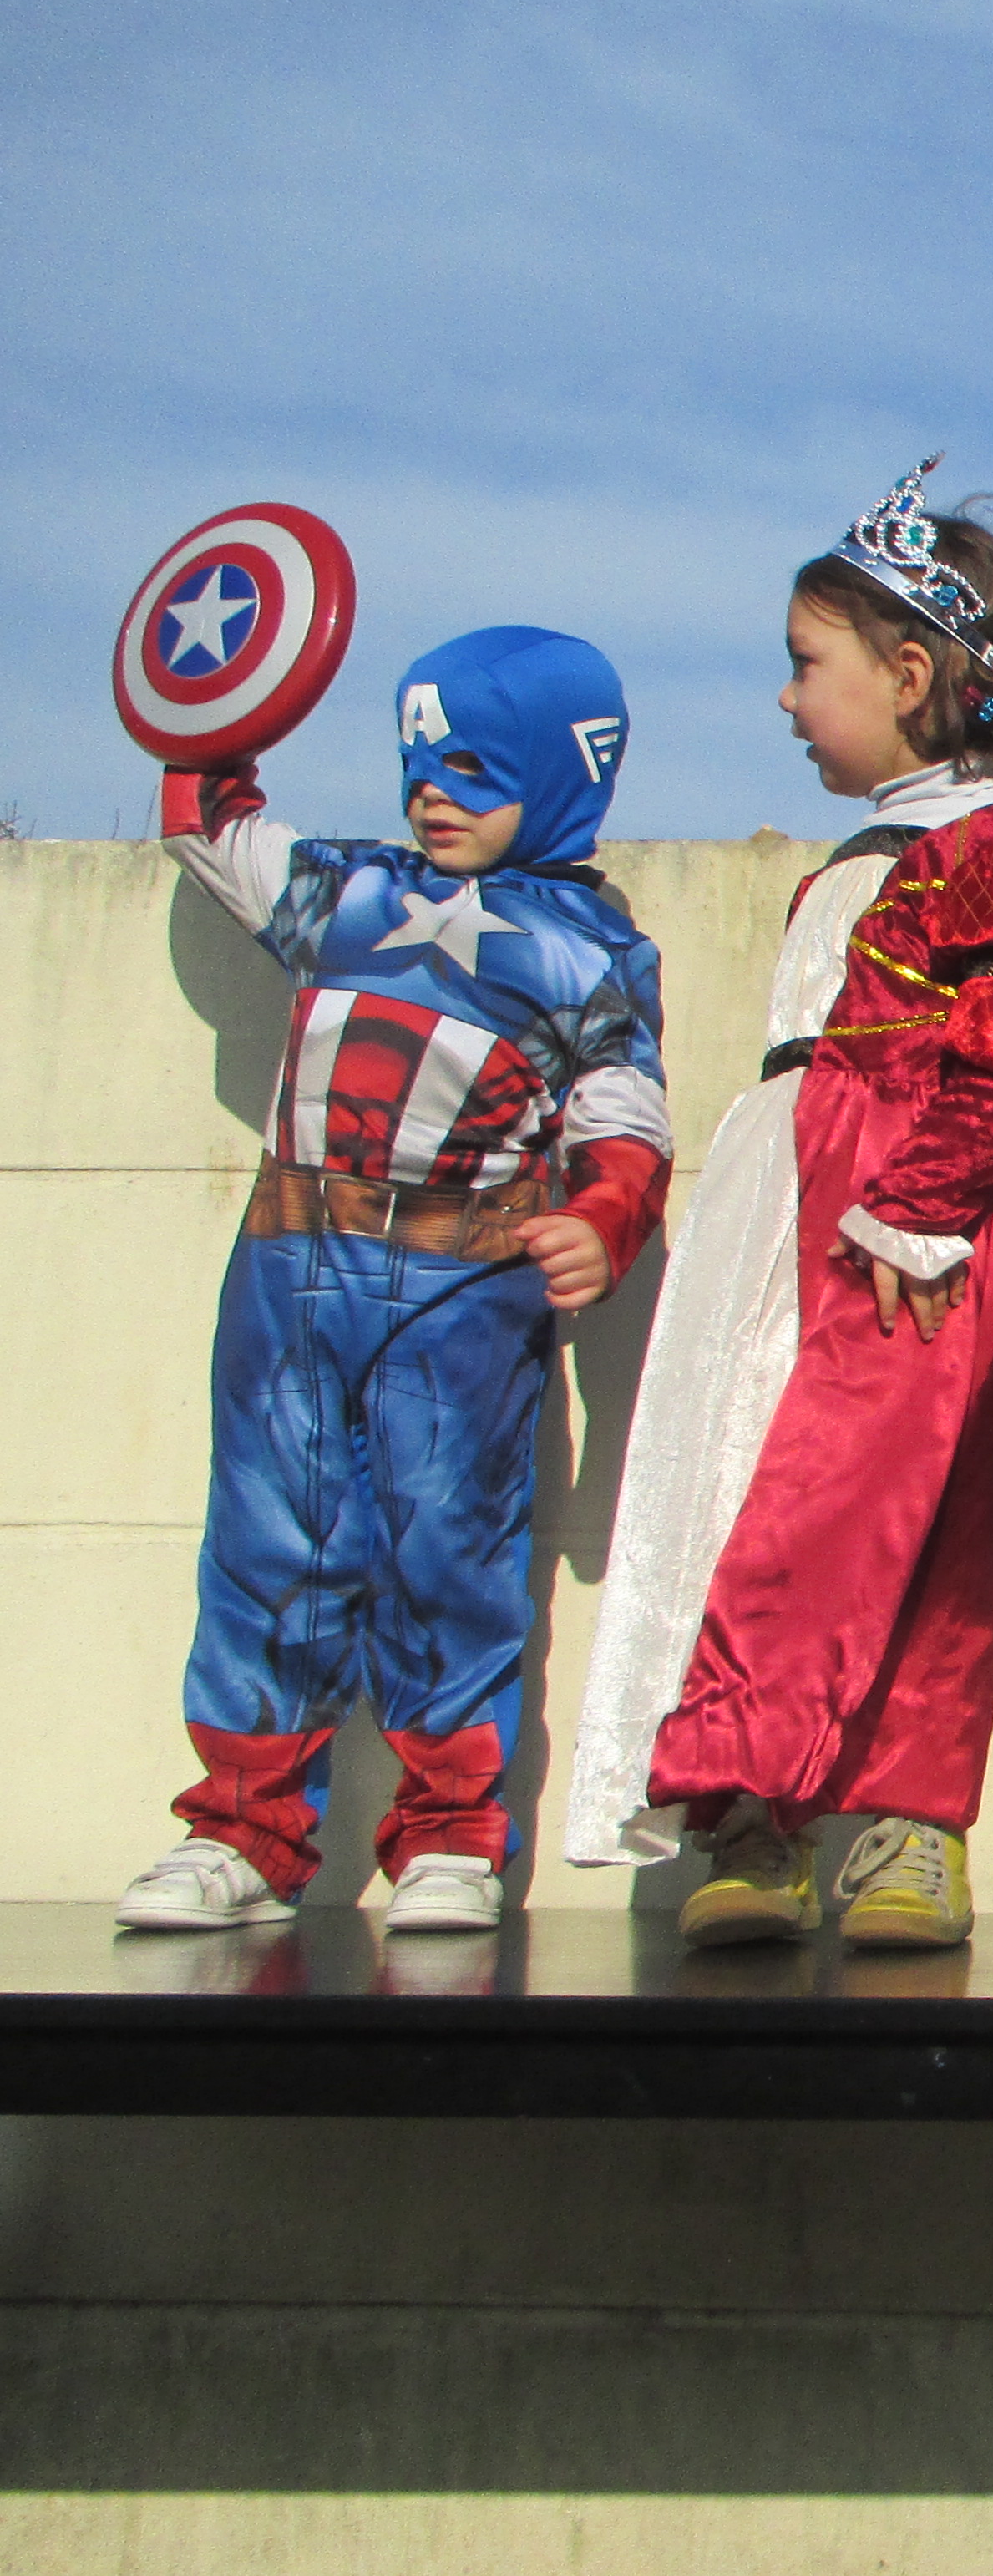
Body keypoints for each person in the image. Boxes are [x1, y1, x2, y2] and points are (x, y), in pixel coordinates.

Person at [561, 462, 993, 1949]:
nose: (788, 697)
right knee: (755, 1484)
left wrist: (921, 1210)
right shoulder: (854, 865)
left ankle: (908, 1825)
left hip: (917, 1218)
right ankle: (755, 1811)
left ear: (912, 674)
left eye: (809, 665)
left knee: (901, 1513)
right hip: (796, 1208)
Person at [118, 628, 671, 1936]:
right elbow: (206, 818)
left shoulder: (593, 950)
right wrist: (221, 675)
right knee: (266, 1549)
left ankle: (451, 1836)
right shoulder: (347, 890)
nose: (435, 794)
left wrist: (603, 1217)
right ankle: (243, 1829)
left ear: (563, 773)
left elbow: (627, 1119)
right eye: (422, 765)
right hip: (288, 1276)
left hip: (460, 1298)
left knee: (449, 1556)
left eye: (477, 770)